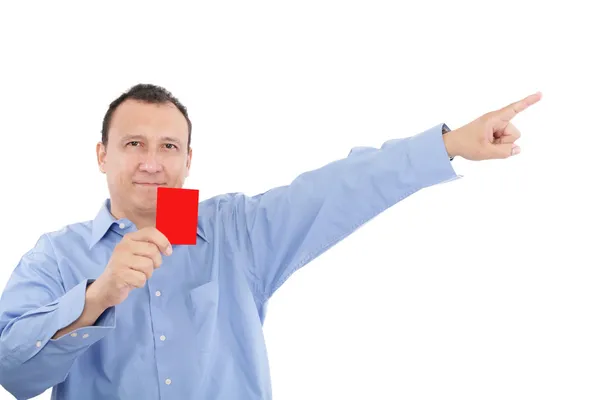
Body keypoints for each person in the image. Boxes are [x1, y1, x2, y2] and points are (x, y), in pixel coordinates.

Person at [0, 83, 541, 399]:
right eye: (133, 143)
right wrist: (96, 298)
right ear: (102, 155)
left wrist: (447, 146)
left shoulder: (233, 233)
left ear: (188, 160)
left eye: (168, 145)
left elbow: (337, 189)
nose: (151, 161)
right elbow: (12, 373)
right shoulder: (56, 256)